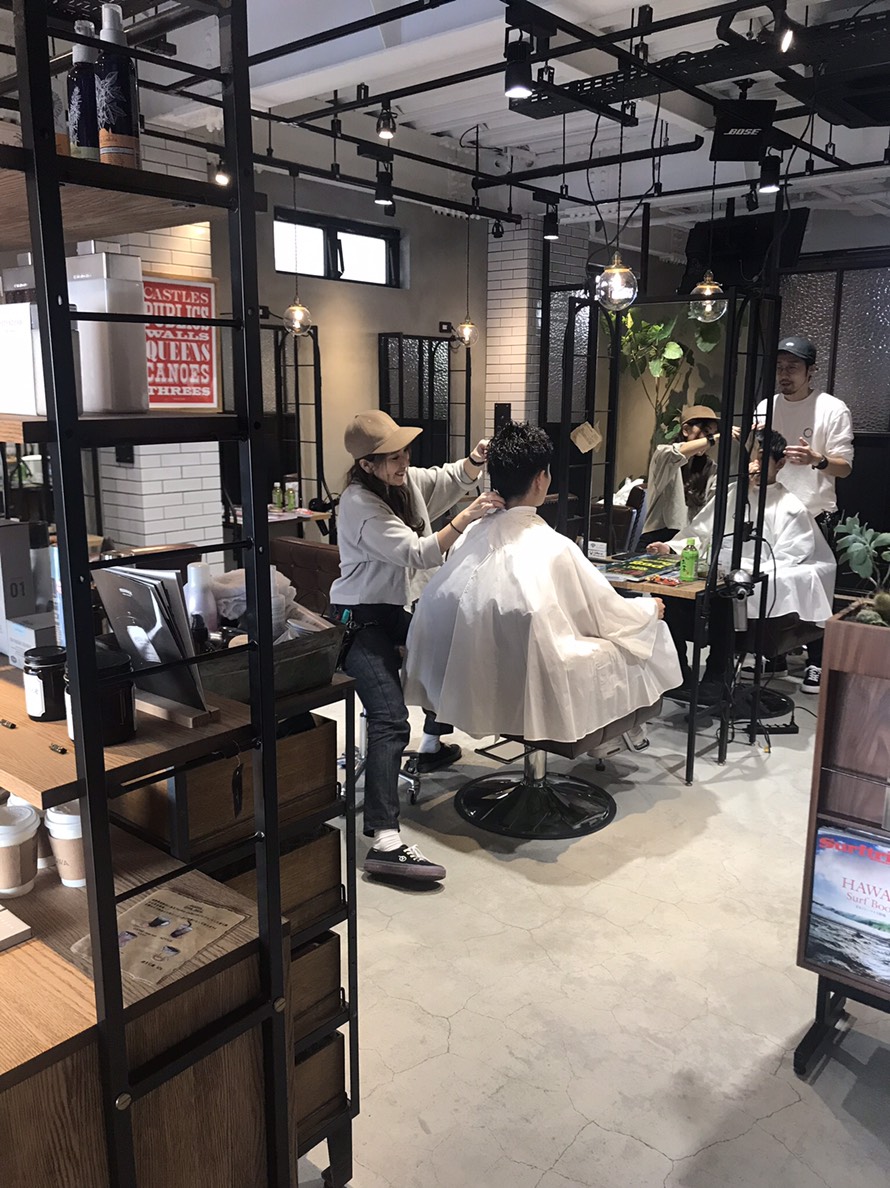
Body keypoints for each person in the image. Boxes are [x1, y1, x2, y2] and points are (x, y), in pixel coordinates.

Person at [403, 422, 681, 746]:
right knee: (647, 635)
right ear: (540, 480)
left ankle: (613, 739)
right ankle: (614, 738)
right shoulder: (555, 546)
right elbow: (606, 613)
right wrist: (648, 609)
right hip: (533, 677)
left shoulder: (470, 535)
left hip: (472, 676)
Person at [329, 410, 503, 882]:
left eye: (404, 452)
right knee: (388, 718)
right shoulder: (359, 504)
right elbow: (417, 551)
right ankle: (384, 840)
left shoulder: (402, 481)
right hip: (358, 620)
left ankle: (432, 744)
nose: (404, 461)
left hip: (395, 610)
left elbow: (445, 479)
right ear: (366, 465)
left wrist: (474, 461)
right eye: (392, 457)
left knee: (448, 653)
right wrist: (467, 516)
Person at [647, 430, 836, 702]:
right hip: (712, 573)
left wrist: (743, 568)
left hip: (747, 583)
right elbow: (700, 532)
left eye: (761, 458)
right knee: (666, 591)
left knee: (728, 592)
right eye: (750, 458)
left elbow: (791, 553)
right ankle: (679, 672)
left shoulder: (791, 506)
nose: (753, 465)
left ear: (780, 463)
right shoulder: (731, 494)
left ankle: (717, 675)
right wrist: (671, 547)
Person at [754, 334, 852, 692]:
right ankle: (776, 654)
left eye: (792, 367)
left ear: (811, 371)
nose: (784, 374)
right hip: (772, 511)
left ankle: (817, 661)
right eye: (780, 367)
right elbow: (757, 454)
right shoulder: (766, 407)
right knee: (775, 583)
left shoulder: (832, 409)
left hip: (814, 511)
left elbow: (844, 468)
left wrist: (817, 459)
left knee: (817, 586)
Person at [640, 405, 721, 545]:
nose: (709, 440)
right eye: (706, 432)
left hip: (688, 541)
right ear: (685, 430)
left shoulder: (710, 467)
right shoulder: (664, 455)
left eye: (713, 434)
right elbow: (677, 453)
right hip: (657, 537)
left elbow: (711, 504)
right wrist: (714, 438)